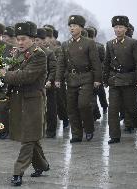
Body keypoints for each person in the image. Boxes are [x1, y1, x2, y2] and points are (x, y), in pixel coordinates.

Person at [0, 21, 49, 186]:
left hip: (33, 101)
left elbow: (26, 76)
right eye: (18, 39)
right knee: (31, 136)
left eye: (23, 39)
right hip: (18, 101)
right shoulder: (16, 53)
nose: (20, 42)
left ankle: (17, 172)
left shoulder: (39, 54)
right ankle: (42, 164)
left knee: (28, 138)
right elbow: (13, 76)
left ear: (33, 39)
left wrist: (5, 74)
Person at [55, 15, 102, 143]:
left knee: (84, 105)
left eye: (75, 26)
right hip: (71, 79)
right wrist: (58, 79)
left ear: (81, 28)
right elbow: (61, 63)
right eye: (70, 26)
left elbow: (95, 62)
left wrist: (97, 79)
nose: (72, 28)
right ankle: (76, 134)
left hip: (86, 78)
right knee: (71, 108)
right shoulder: (65, 44)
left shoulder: (89, 43)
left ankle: (89, 129)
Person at [103, 16, 137, 144]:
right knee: (113, 109)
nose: (118, 29)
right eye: (116, 27)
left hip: (129, 80)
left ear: (126, 29)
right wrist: (105, 79)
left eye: (121, 27)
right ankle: (114, 136)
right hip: (114, 80)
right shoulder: (110, 44)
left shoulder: (134, 43)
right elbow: (107, 63)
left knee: (131, 108)